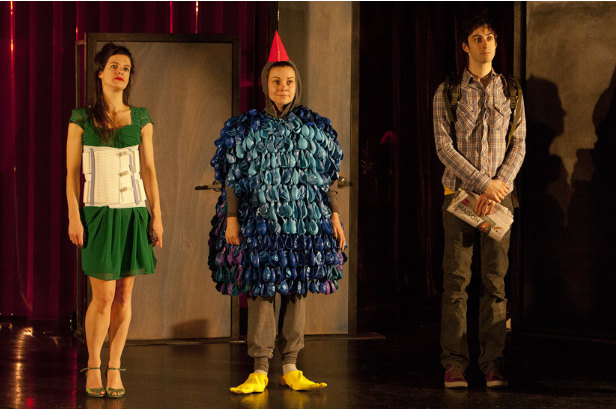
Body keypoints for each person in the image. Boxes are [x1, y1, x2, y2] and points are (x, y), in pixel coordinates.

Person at [208, 31, 346, 394]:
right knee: (262, 290)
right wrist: (232, 218)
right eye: (276, 81)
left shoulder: (315, 128)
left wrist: (334, 215)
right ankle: (259, 368)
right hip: (260, 223)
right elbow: (233, 177)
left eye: (288, 81)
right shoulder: (245, 127)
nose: (283, 87)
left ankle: (291, 366)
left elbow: (328, 177)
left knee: (297, 290)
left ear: (296, 85)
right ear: (265, 85)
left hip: (305, 222)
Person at [433, 15, 526, 389]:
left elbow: (519, 143)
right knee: (456, 284)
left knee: (495, 284)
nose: (485, 44)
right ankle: (455, 363)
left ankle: (492, 364)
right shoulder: (449, 90)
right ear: (465, 46)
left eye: (490, 37)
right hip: (460, 198)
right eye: (477, 38)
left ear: (496, 43)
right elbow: (444, 146)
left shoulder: (511, 91)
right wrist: (482, 184)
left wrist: (498, 187)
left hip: (500, 201)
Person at [66, 42, 163, 398]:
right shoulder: (81, 118)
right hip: (97, 213)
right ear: (100, 72)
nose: (121, 72)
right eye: (114, 66)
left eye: (126, 68)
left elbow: (149, 169)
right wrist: (74, 216)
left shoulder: (141, 118)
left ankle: (115, 366)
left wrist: (157, 214)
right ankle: (94, 364)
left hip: (133, 212)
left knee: (124, 295)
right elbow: (71, 173)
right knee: (103, 296)